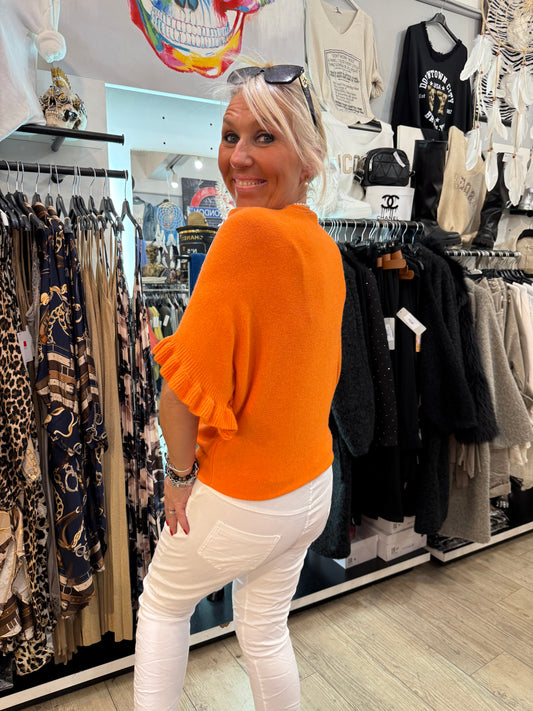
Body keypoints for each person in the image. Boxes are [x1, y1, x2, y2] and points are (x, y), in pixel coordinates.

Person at [133, 64, 346, 711]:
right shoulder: (323, 246)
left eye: (264, 136)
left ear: (307, 156)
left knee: (162, 603)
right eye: (230, 135)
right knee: (264, 627)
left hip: (247, 495)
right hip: (311, 486)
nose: (238, 157)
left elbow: (179, 393)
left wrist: (178, 477)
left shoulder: (245, 233)